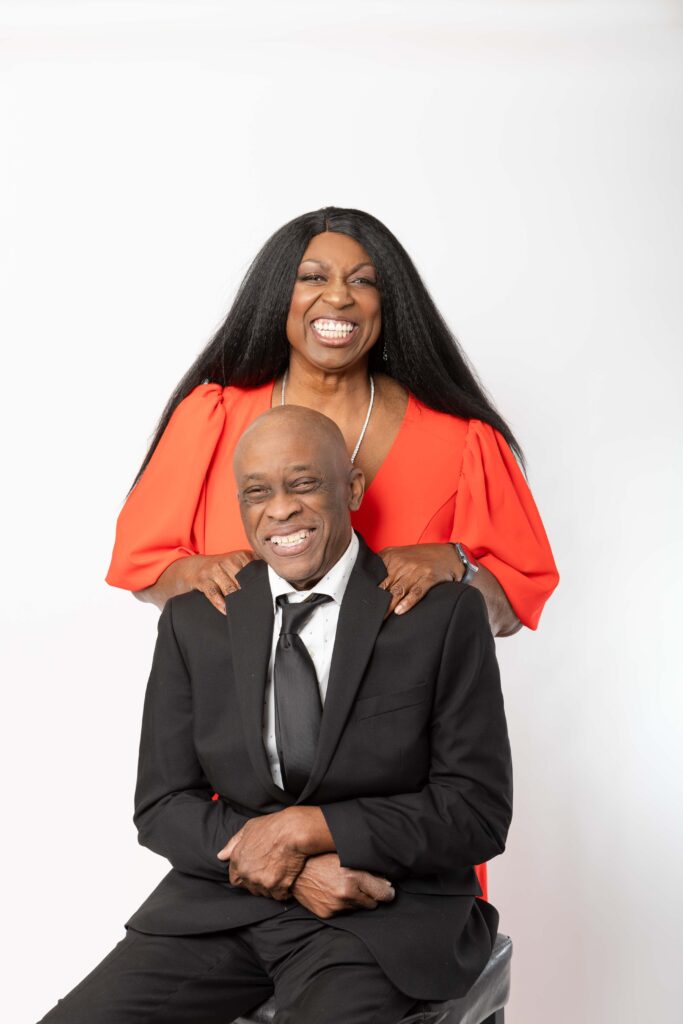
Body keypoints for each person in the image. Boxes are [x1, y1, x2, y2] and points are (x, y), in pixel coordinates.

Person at [106, 206, 556, 897]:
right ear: (276, 295)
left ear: (388, 302)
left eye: (363, 280)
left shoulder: (463, 441)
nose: (337, 296)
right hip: (246, 817)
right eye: (311, 275)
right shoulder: (214, 416)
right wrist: (194, 571)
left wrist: (458, 565)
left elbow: (505, 608)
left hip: (397, 814)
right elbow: (146, 570)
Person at [41, 407, 513, 1024]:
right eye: (258, 492)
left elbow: (475, 812)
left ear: (352, 488)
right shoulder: (196, 622)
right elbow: (163, 806)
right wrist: (292, 872)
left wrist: (311, 828)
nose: (280, 509)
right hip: (220, 910)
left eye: (305, 483)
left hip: (380, 915)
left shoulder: (441, 615)